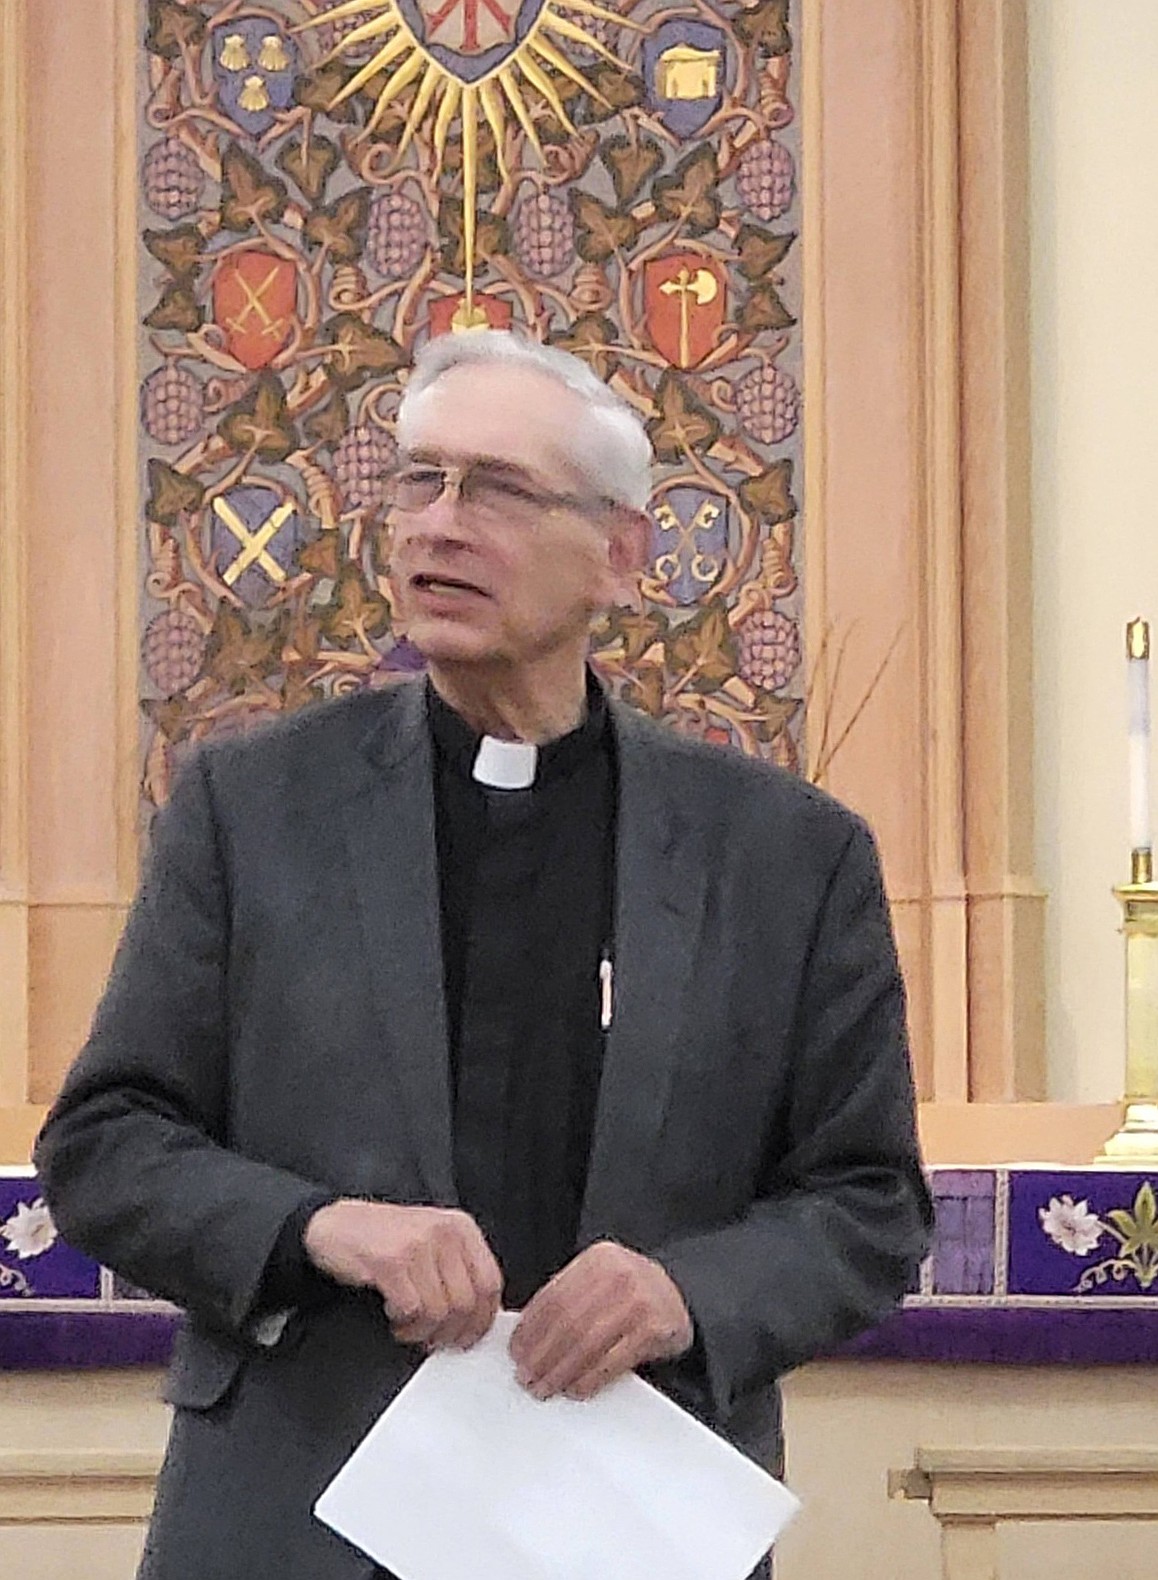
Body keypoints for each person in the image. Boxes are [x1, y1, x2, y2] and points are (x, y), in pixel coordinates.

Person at [34, 331, 932, 1580]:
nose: (438, 526)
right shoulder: (254, 806)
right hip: (299, 1512)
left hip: (622, 1513)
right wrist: (319, 1226)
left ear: (623, 554)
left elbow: (869, 1202)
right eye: (418, 480)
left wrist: (686, 1291)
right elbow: (107, 1144)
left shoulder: (786, 855)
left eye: (497, 490)